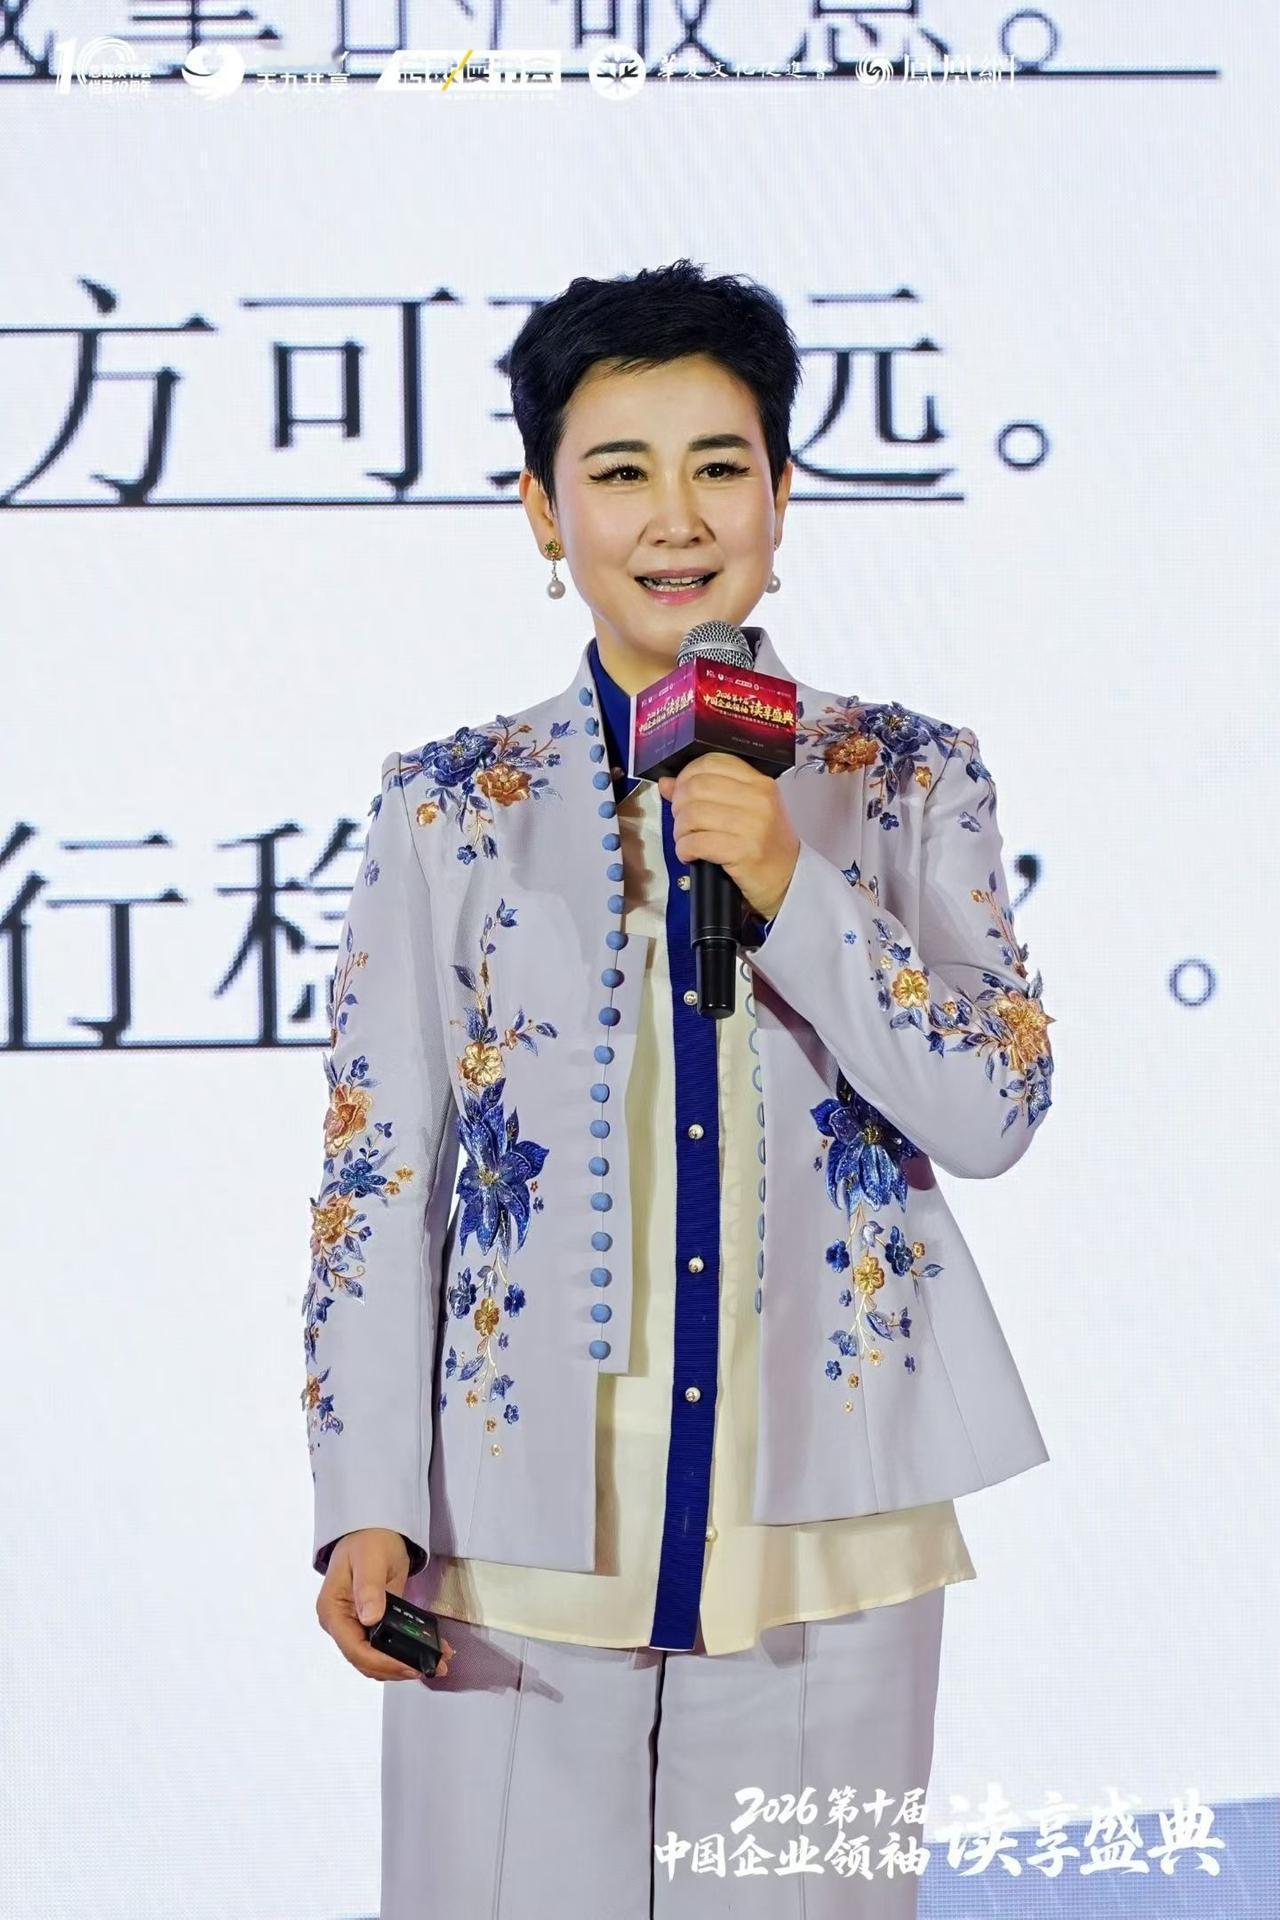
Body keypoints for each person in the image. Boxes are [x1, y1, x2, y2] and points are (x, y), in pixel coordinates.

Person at [307, 260, 1054, 1917]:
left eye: (719, 465)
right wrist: (363, 1503)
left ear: (782, 492)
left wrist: (792, 886)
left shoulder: (903, 777)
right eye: (619, 470)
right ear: (541, 507)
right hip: (509, 1547)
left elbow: (995, 1105)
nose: (675, 517)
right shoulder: (450, 808)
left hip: (822, 1533)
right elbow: (380, 1177)